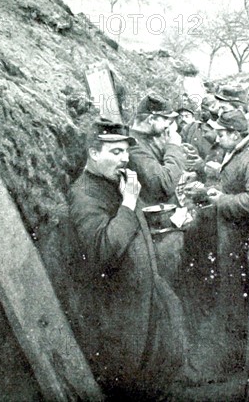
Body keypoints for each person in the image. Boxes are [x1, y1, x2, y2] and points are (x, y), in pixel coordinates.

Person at [64, 119, 186, 399]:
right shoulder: (84, 196)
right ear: (94, 153)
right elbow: (104, 250)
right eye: (115, 152)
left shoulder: (115, 180)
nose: (124, 159)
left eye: (125, 152)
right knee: (129, 381)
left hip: (141, 295)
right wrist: (129, 203)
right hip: (118, 310)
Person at [205, 110, 249, 350]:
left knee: (239, 296)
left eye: (221, 134)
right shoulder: (237, 152)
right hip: (232, 236)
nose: (217, 139)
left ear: (235, 134)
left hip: (245, 239)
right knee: (232, 292)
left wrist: (221, 200)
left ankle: (236, 354)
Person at [128, 93, 185, 206]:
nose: (168, 126)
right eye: (166, 120)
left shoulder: (152, 136)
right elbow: (164, 184)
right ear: (151, 119)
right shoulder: (132, 145)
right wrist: (173, 146)